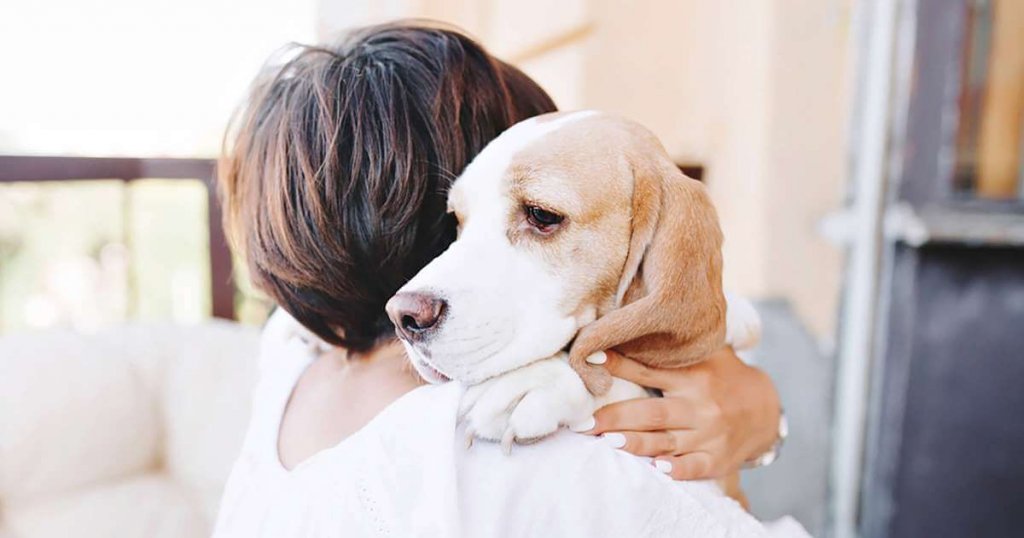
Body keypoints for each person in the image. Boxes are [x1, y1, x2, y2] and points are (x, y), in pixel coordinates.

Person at [213, 21, 796, 537]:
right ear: (435, 224)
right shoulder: (543, 458)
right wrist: (763, 415)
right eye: (464, 221)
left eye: (538, 215)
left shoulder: (290, 356)